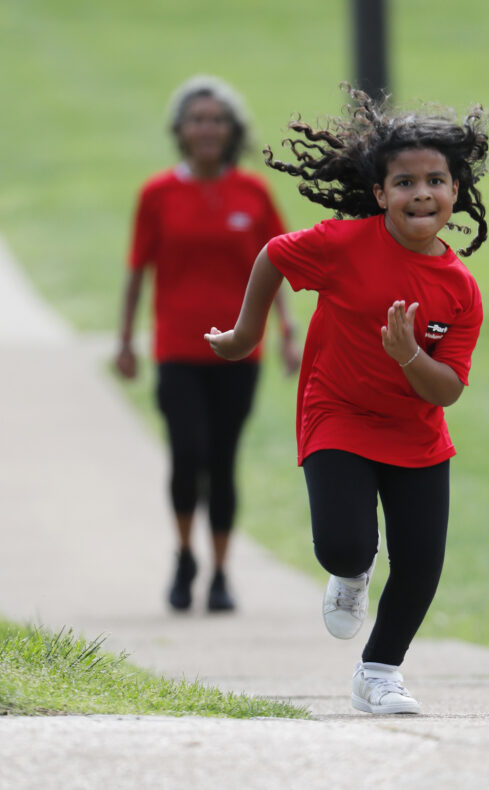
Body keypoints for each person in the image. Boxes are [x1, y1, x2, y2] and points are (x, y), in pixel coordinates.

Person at [205, 85, 489, 713]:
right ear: (380, 194)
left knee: (420, 564)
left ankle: (379, 673)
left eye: (436, 181)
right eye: (405, 182)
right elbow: (274, 255)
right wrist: (246, 334)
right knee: (343, 546)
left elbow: (448, 389)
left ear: (455, 191)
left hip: (416, 433)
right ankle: (352, 571)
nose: (421, 193)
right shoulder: (343, 245)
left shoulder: (460, 290)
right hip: (338, 411)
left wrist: (409, 356)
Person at [115, 75, 299, 613]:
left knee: (222, 459)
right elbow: (137, 271)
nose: (207, 129)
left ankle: (220, 572)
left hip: (241, 350)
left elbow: (279, 264)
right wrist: (125, 341)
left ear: (231, 130)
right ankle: (183, 556)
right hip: (177, 348)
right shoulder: (158, 194)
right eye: (197, 120)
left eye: (217, 120)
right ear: (180, 130)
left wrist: (288, 332)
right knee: (186, 453)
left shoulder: (253, 193)